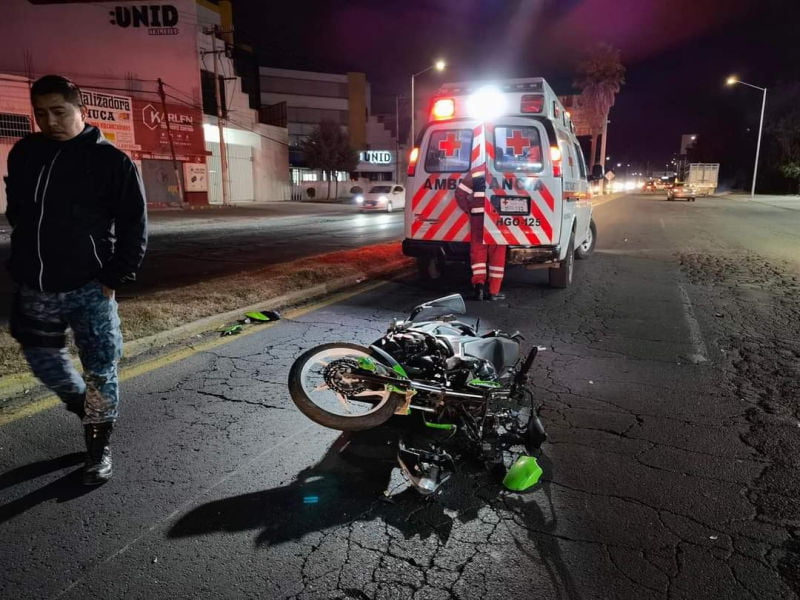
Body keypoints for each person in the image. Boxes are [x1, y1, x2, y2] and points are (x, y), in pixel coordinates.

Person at [4, 75, 147, 485]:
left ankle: (97, 450)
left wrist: (115, 275)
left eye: (59, 112)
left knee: (101, 368)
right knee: (43, 359)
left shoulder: (110, 161)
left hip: (90, 287)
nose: (49, 120)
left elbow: (134, 225)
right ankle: (84, 405)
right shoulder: (25, 152)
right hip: (36, 284)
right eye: (41, 113)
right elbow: (18, 210)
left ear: (78, 108)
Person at [454, 168, 506, 301]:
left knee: (478, 250)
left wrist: (468, 209)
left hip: (478, 216)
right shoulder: (507, 170)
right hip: (499, 217)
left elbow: (460, 193)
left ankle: (479, 288)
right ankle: (494, 291)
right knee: (497, 252)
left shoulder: (477, 171)